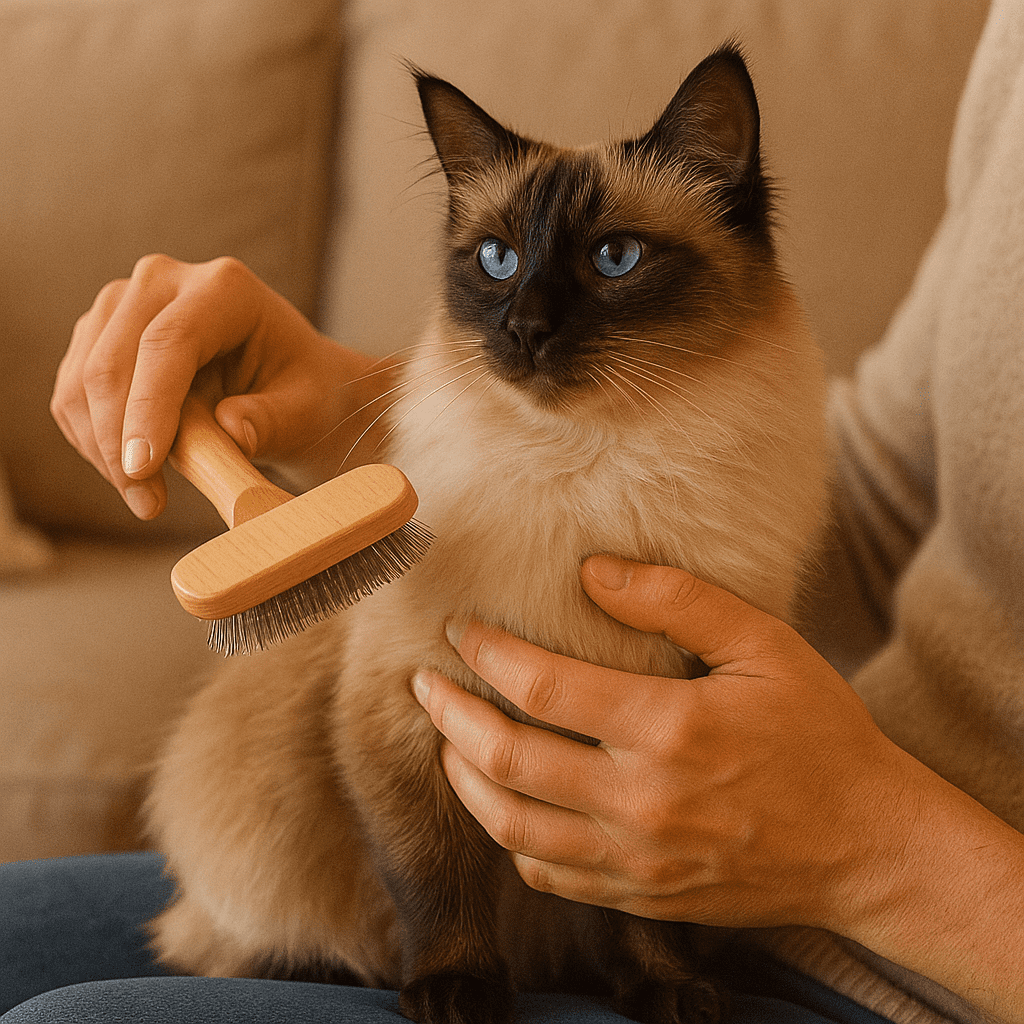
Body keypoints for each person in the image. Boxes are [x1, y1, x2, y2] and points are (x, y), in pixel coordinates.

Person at [5, 2, 1024, 1021]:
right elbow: (887, 499)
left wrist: (863, 846)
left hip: (899, 955)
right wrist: (347, 411)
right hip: (725, 894)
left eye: (613, 260)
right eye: (497, 261)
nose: (531, 317)